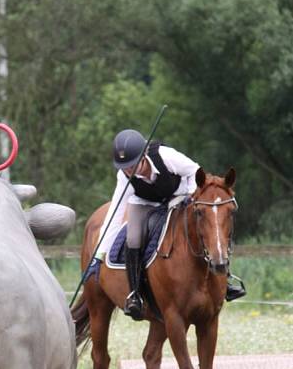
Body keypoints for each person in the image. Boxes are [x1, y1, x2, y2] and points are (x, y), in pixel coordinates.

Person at [96, 129, 245, 321]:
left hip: (178, 196)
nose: (129, 170)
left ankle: (226, 280)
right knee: (133, 238)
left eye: (132, 165)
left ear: (143, 155)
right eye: (124, 167)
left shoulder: (166, 157)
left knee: (208, 227)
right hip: (144, 203)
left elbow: (195, 171)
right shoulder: (123, 177)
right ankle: (135, 295)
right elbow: (115, 212)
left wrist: (192, 198)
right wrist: (101, 250)